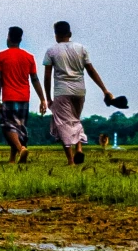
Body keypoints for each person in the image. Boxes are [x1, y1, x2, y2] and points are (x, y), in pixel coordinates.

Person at [42, 20, 123, 166]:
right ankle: (79, 148)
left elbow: (47, 77)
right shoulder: (81, 49)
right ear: (70, 34)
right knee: (75, 120)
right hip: (79, 92)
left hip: (62, 91)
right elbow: (91, 70)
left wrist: (47, 97)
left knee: (63, 125)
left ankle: (71, 161)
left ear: (55, 35)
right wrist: (104, 90)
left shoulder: (51, 51)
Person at [0, 25, 46, 164]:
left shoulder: (1, 56)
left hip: (9, 96)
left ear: (8, 38)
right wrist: (42, 99)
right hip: (24, 97)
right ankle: (12, 158)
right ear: (20, 39)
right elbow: (35, 79)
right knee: (19, 128)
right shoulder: (29, 57)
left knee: (8, 126)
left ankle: (21, 149)